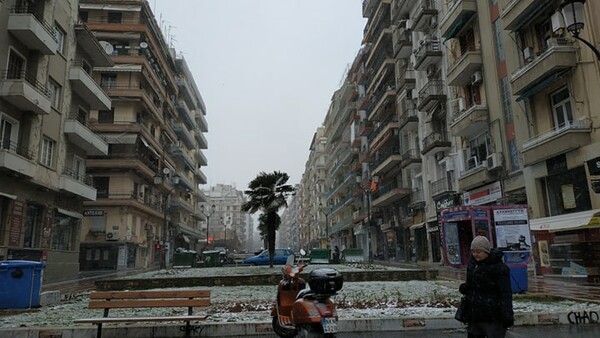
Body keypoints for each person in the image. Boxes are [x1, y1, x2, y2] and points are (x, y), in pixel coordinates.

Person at [459, 236, 514, 338]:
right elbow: (472, 285)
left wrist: (507, 313)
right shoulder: (473, 265)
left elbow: (505, 293)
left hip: (493, 315)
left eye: (478, 252)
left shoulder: (499, 268)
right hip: (475, 315)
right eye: (473, 251)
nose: (475, 254)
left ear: (486, 251)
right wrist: (466, 287)